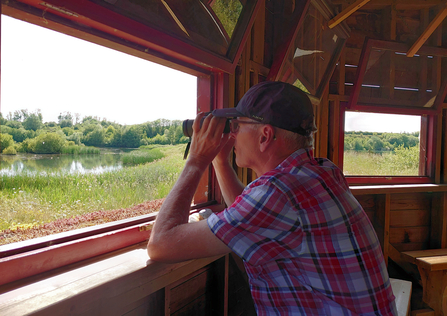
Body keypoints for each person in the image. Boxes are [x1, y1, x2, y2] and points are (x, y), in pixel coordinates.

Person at [147, 81, 397, 315]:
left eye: (236, 126)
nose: (232, 135)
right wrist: (220, 161)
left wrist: (196, 160)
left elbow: (160, 244)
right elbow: (251, 219)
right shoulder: (322, 171)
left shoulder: (278, 194)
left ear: (265, 136)